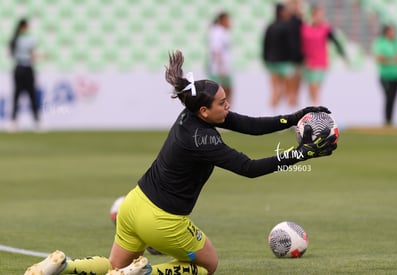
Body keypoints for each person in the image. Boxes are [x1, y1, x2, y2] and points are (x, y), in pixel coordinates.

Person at [24, 50, 337, 275]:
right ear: (205, 111)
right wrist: (304, 153)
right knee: (207, 265)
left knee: (113, 267)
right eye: (223, 103)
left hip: (133, 205)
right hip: (163, 220)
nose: (228, 107)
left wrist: (296, 116)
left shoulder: (189, 114)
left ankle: (63, 266)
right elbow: (249, 169)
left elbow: (252, 125)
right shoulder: (205, 141)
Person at [301, 5, 347, 105]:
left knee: (316, 87)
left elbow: (335, 41)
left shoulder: (325, 29)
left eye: (321, 15)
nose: (320, 17)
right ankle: (312, 110)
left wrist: (343, 55)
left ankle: (315, 112)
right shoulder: (304, 28)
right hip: (307, 63)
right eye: (318, 15)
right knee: (311, 89)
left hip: (320, 63)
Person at [372, 24, 397, 126]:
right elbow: (379, 58)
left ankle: (390, 120)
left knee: (394, 98)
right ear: (386, 32)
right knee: (388, 97)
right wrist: (394, 59)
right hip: (385, 76)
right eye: (391, 31)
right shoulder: (380, 42)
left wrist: (389, 59)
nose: (393, 33)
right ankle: (387, 120)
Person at [8, 18, 40, 131]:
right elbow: (31, 55)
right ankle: (15, 121)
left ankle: (35, 121)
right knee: (19, 95)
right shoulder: (18, 39)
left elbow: (12, 54)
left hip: (23, 68)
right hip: (22, 68)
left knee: (30, 95)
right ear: (23, 27)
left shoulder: (18, 39)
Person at [262, 3, 296, 108]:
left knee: (275, 90)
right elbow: (291, 45)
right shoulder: (287, 26)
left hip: (272, 63)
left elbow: (265, 45)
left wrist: (266, 59)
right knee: (290, 91)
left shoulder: (270, 27)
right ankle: (292, 118)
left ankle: (271, 117)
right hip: (285, 62)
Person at [207, 12, 232, 104]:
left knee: (227, 91)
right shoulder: (217, 32)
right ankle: (221, 114)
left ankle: (226, 114)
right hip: (219, 69)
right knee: (219, 93)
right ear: (222, 20)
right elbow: (216, 51)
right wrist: (220, 68)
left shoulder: (223, 32)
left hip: (223, 68)